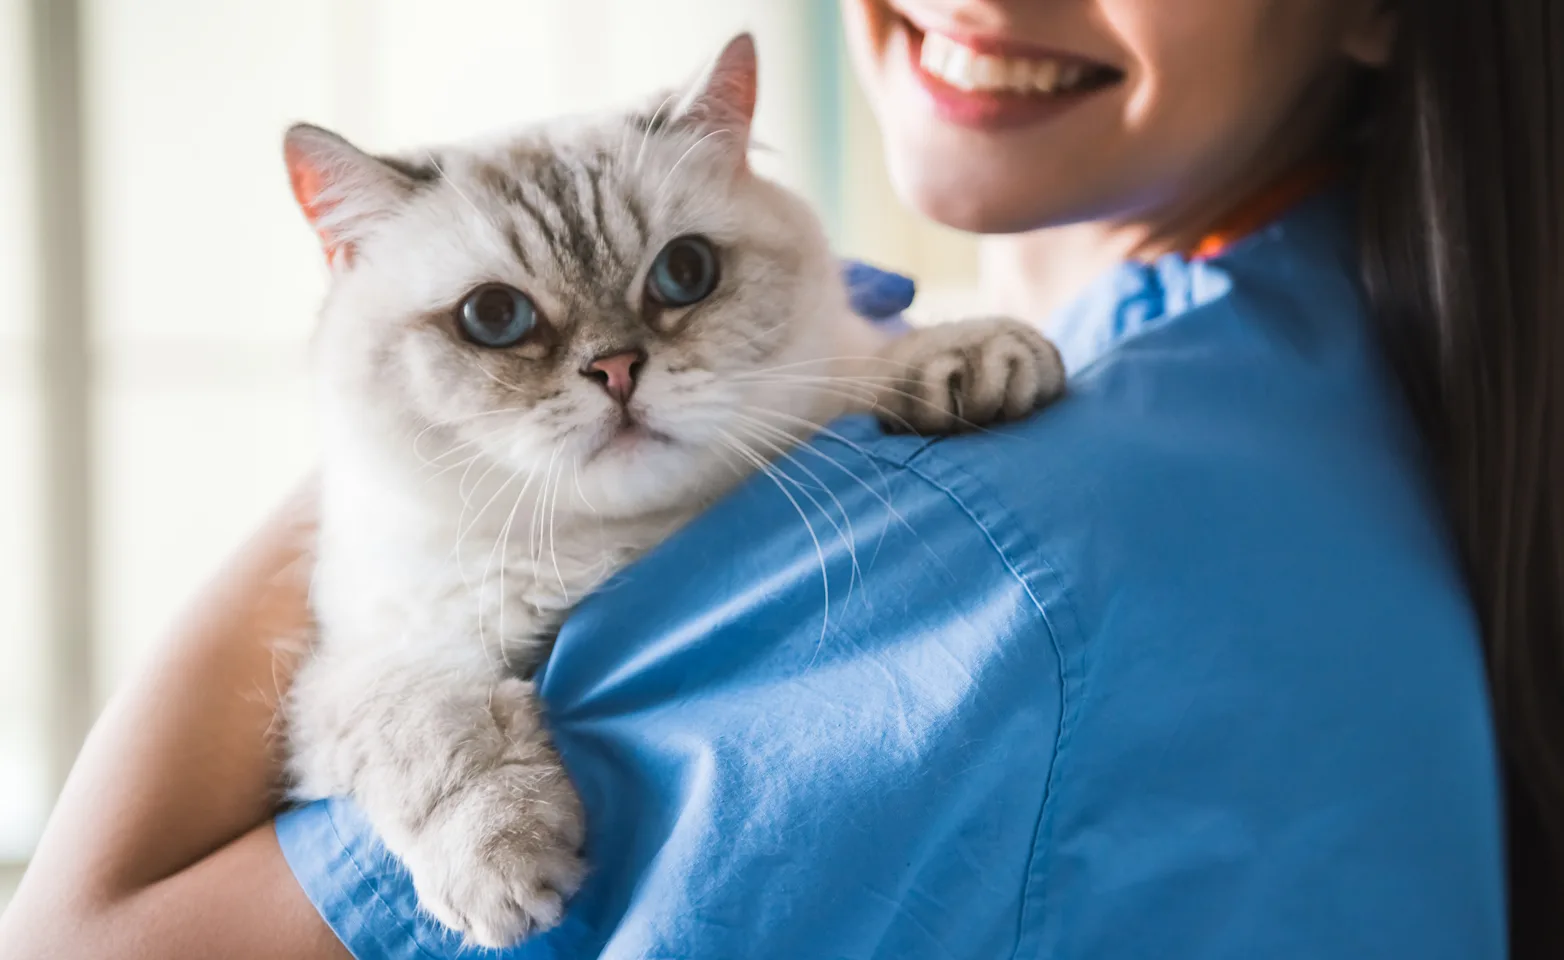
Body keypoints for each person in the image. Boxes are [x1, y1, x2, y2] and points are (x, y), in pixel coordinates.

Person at [3, 0, 1558, 956]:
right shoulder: (1317, 373)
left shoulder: (979, 548)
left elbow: (89, 949)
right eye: (502, 323)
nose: (610, 364)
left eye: (676, 281)